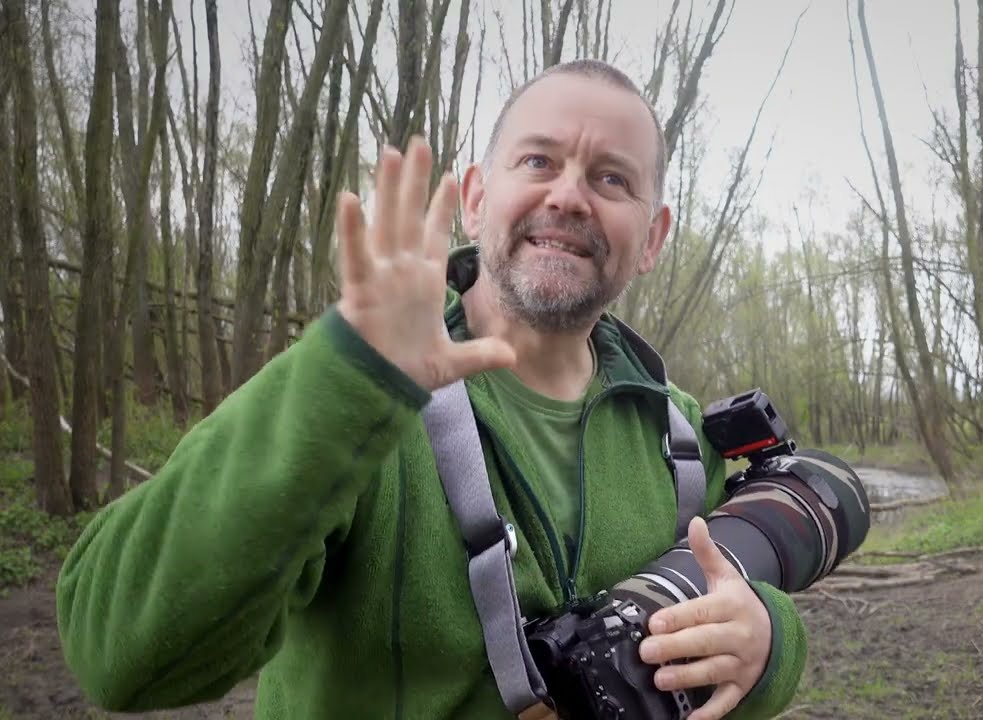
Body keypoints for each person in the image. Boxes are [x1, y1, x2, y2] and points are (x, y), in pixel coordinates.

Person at [55, 59, 808, 719]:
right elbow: (118, 654)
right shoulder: (357, 396)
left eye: (612, 178)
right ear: (476, 198)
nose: (572, 196)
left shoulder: (675, 434)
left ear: (652, 238)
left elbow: (715, 652)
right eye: (539, 161)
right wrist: (345, 380)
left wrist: (769, 648)